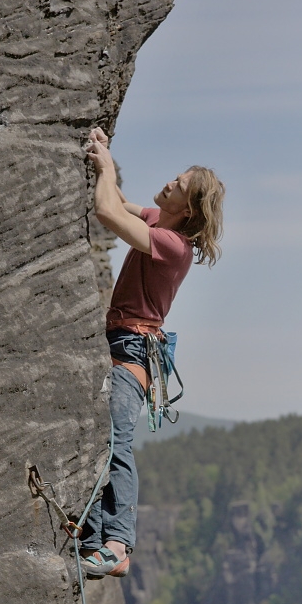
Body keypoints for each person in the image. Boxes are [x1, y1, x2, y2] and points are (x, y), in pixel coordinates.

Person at [80, 126, 225, 578]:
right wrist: (104, 153)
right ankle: (93, 535)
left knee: (117, 445)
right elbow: (121, 202)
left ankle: (118, 544)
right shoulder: (159, 222)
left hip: (132, 348)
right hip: (127, 342)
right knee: (104, 441)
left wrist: (103, 166)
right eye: (175, 177)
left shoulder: (171, 245)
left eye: (178, 186)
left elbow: (106, 210)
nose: (168, 183)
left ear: (188, 209)